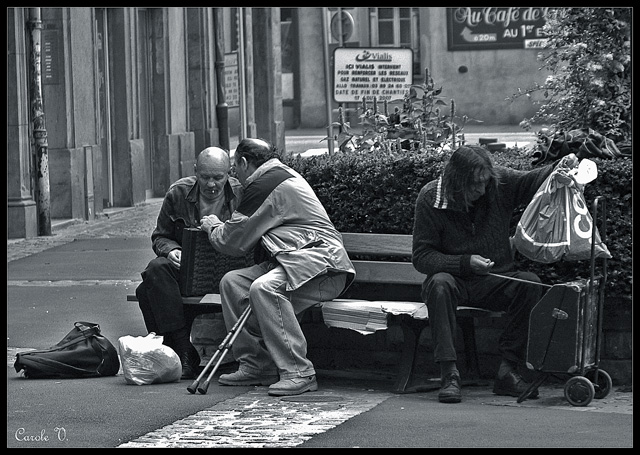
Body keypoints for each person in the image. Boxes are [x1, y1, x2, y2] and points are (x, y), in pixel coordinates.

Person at [412, 145, 573, 403]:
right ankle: (449, 374)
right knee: (439, 284)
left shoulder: (498, 183)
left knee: (530, 284)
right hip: (456, 282)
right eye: (474, 184)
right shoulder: (431, 198)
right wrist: (465, 263)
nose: (481, 189)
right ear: (456, 181)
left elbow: (533, 179)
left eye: (485, 182)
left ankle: (507, 371)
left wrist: (561, 165)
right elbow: (422, 257)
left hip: (494, 280)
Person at [200, 138, 356, 397]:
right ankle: (256, 365)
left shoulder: (264, 184)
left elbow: (233, 240)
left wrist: (213, 226)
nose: (234, 176)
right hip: (296, 261)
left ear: (243, 162)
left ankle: (299, 371)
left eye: (234, 169)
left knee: (265, 288)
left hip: (324, 267)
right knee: (233, 283)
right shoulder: (277, 175)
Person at [136, 147, 243, 380]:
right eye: (205, 177)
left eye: (218, 177)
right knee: (156, 269)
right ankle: (184, 350)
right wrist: (172, 250)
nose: (212, 184)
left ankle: (179, 352)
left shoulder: (240, 193)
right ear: (196, 172)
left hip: (227, 274)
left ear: (229, 173)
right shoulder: (178, 193)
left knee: (145, 292)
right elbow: (160, 236)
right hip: (188, 272)